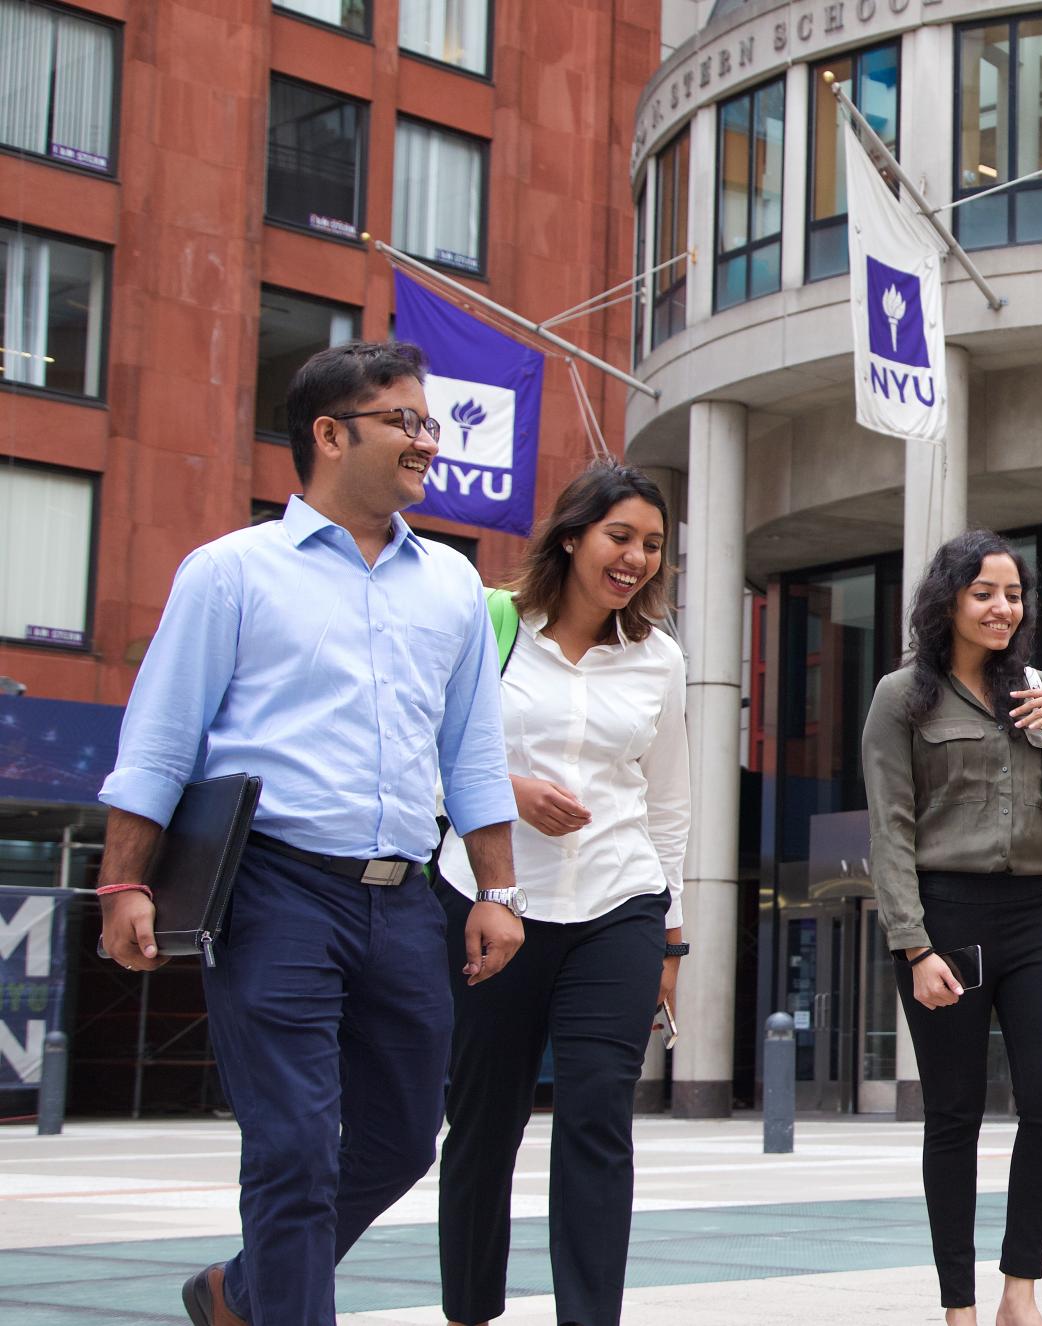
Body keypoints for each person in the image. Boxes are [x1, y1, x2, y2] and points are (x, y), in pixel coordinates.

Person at [93, 341, 523, 1326]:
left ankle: (240, 1294)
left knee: (406, 1137)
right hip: (274, 891)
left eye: (429, 421)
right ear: (331, 435)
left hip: (405, 897)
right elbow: (160, 739)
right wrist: (124, 884)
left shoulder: (452, 586)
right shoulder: (230, 574)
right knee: (289, 1146)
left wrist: (498, 893)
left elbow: (473, 749)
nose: (427, 440)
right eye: (404, 421)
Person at [432, 462, 691, 1326]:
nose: (637, 558)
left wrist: (671, 939)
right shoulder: (489, 625)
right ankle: (470, 1310)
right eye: (621, 536)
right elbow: (420, 757)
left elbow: (668, 804)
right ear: (574, 534)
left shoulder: (659, 661)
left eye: (653, 545)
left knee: (596, 1121)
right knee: (482, 1119)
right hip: (490, 904)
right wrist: (508, 790)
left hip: (618, 906)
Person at [862, 529, 1042, 1326]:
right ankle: (959, 1305)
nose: (1000, 606)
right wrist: (912, 945)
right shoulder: (901, 697)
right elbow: (891, 829)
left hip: (1036, 918)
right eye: (983, 591)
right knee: (952, 1114)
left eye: (1012, 594)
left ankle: (1021, 1290)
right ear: (949, 599)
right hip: (945, 917)